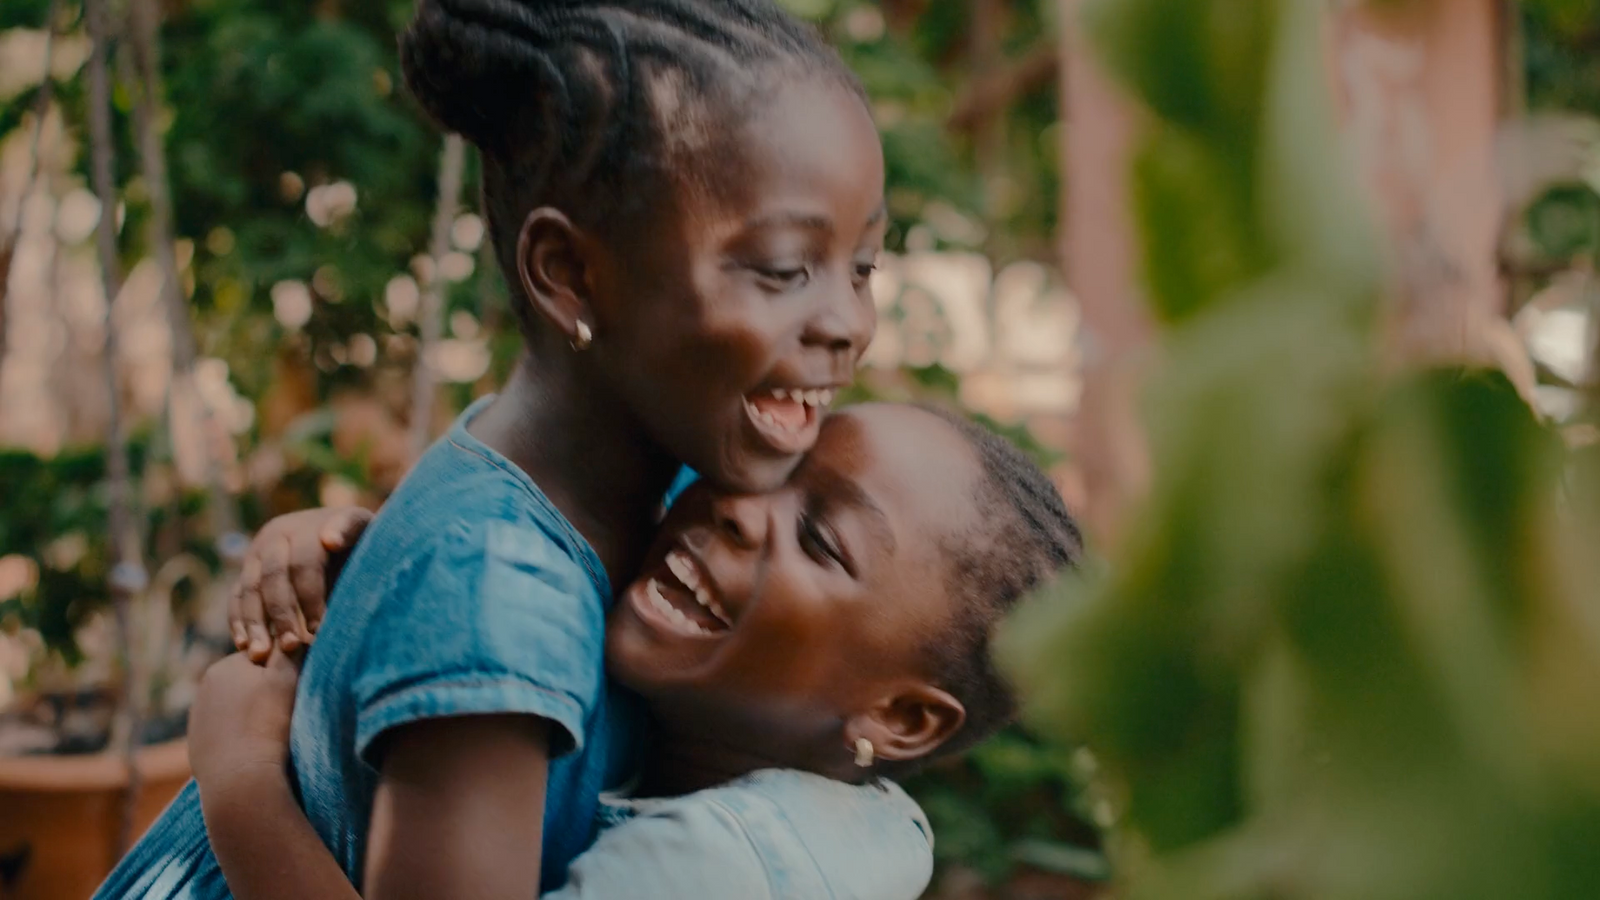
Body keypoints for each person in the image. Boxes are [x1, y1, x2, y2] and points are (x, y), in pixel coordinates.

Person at [95, 0, 884, 896]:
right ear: (572, 274)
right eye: (785, 269)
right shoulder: (499, 594)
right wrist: (239, 779)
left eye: (863, 266)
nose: (848, 323)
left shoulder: (636, 484)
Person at [192, 403, 1084, 898]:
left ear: (899, 716)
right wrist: (374, 558)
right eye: (774, 472)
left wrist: (240, 780)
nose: (737, 504)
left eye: (821, 541)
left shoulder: (727, 870)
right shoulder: (710, 723)